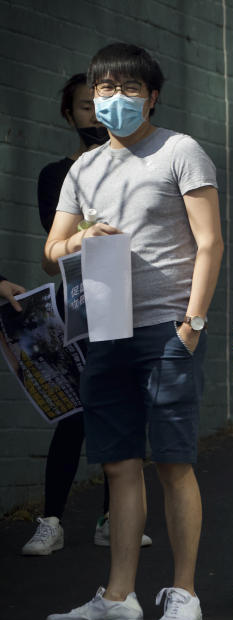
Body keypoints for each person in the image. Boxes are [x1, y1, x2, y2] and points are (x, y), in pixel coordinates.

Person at [42, 43, 222, 620]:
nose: (115, 99)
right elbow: (52, 253)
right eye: (105, 90)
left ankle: (185, 594)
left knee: (173, 463)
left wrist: (192, 324)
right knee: (119, 468)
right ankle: (120, 598)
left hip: (166, 329)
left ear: (153, 95)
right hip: (105, 327)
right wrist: (81, 238)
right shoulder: (83, 168)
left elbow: (209, 242)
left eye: (128, 89)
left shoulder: (180, 151)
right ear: (91, 99)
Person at [22, 73, 152, 557]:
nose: (95, 117)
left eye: (99, 107)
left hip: (131, 301)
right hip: (77, 305)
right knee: (73, 415)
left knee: (122, 410)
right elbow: (53, 249)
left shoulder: (140, 167)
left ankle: (110, 518)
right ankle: (51, 520)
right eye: (83, 107)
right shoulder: (57, 175)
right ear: (68, 114)